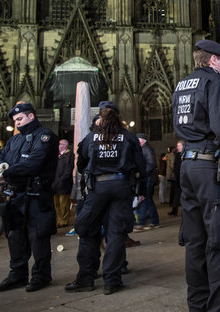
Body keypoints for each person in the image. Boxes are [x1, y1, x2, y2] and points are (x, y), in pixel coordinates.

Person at [172, 39, 220, 311]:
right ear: (213, 59)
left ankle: (198, 305)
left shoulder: (182, 85)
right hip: (211, 168)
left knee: (195, 241)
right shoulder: (215, 82)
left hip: (188, 165)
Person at [65, 101, 147, 295]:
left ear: (100, 118)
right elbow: (141, 167)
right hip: (121, 186)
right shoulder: (128, 137)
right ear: (119, 118)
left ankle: (86, 278)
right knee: (116, 234)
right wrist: (139, 191)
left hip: (98, 187)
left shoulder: (92, 138)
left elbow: (82, 163)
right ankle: (112, 280)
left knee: (86, 230)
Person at [0, 102, 59, 293]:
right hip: (16, 195)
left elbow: (34, 164)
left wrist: (7, 170)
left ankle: (41, 276)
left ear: (31, 116)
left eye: (20, 119)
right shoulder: (14, 141)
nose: (17, 124)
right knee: (15, 237)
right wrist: (2, 167)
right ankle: (17, 275)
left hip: (37, 195)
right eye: (15, 121)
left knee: (38, 237)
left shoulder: (45, 136)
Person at [135, 133, 159, 230]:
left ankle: (141, 222)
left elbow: (152, 164)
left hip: (148, 178)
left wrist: (143, 172)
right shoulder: (144, 149)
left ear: (142, 140)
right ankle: (154, 221)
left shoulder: (147, 149)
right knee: (148, 200)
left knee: (144, 199)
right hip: (147, 178)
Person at [52, 139, 74, 228]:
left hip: (64, 183)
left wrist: (63, 179)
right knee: (56, 203)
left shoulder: (69, 155)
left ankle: (64, 220)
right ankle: (59, 219)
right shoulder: (57, 156)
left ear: (65, 145)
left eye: (60, 144)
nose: (59, 146)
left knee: (63, 203)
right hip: (55, 183)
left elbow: (69, 169)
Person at [167, 141, 182, 216]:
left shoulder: (184, 154)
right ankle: (174, 210)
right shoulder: (176, 155)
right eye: (177, 145)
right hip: (178, 178)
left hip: (183, 178)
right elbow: (175, 167)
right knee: (176, 195)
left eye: (179, 145)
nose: (178, 147)